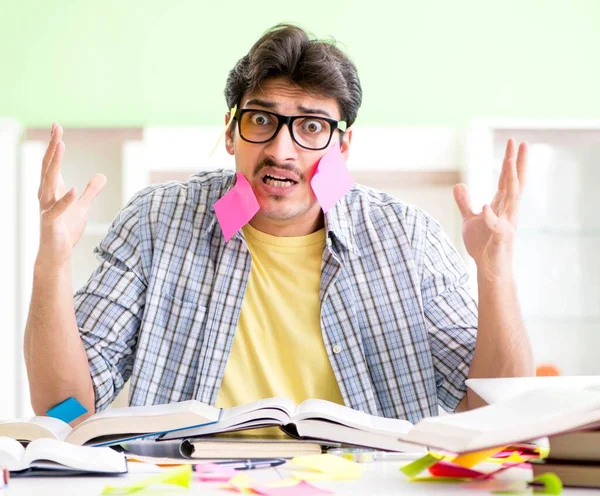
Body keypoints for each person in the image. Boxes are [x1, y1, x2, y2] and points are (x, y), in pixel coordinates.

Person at [24, 24, 533, 426]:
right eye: (261, 120)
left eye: (311, 126)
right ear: (231, 132)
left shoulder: (406, 238)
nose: (281, 151)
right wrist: (53, 261)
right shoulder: (157, 223)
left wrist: (496, 274)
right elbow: (64, 412)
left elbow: (492, 412)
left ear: (343, 146)